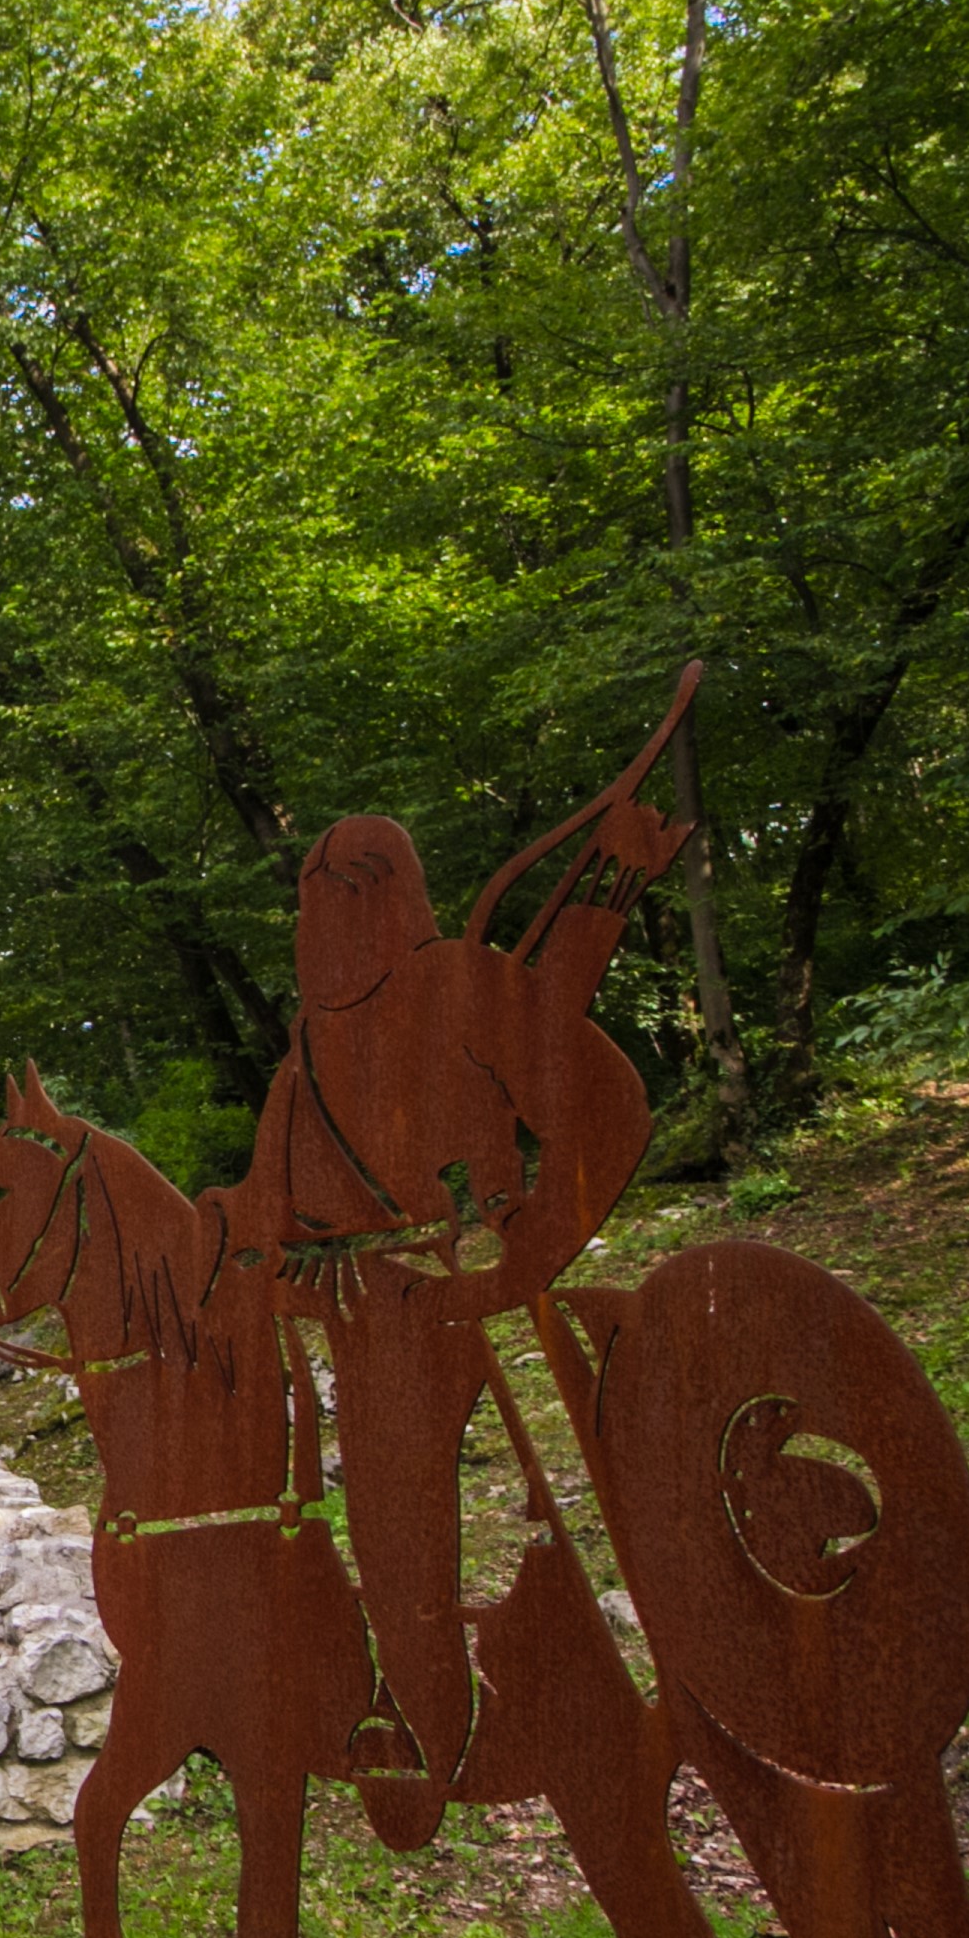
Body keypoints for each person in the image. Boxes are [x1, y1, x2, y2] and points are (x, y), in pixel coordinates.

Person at [217, 722, 693, 1848]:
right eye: (305, 901)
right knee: (348, 1512)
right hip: (355, 1321)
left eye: (330, 897)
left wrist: (512, 1268)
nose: (309, 923)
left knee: (392, 1501)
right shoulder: (310, 1050)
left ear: (380, 899)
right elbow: (268, 1211)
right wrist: (237, 1258)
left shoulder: (454, 987)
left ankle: (432, 1720)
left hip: (428, 1308)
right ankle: (398, 1695)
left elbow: (598, 1109)